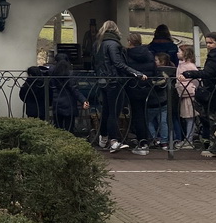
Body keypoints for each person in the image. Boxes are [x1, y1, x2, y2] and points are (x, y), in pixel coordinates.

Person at [93, 20, 147, 154]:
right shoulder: (113, 44)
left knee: (106, 110)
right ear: (115, 31)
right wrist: (136, 73)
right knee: (114, 112)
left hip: (102, 80)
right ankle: (114, 140)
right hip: (114, 81)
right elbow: (118, 63)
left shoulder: (98, 44)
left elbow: (95, 63)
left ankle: (104, 136)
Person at [126, 32, 157, 154]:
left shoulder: (127, 54)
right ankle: (144, 139)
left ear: (130, 42)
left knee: (137, 115)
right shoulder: (148, 54)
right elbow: (154, 70)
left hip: (133, 87)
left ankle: (142, 142)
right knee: (143, 115)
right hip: (147, 88)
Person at [48, 53, 90, 134]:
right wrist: (83, 100)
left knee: (58, 128)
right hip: (69, 104)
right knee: (69, 129)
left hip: (57, 103)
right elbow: (74, 89)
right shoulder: (69, 73)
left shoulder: (52, 72)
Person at [174, 44, 199, 148]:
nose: (177, 53)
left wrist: (191, 89)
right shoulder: (182, 65)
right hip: (184, 93)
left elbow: (196, 80)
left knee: (190, 117)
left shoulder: (189, 66)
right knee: (187, 117)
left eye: (179, 51)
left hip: (189, 94)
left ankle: (189, 139)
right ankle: (188, 138)